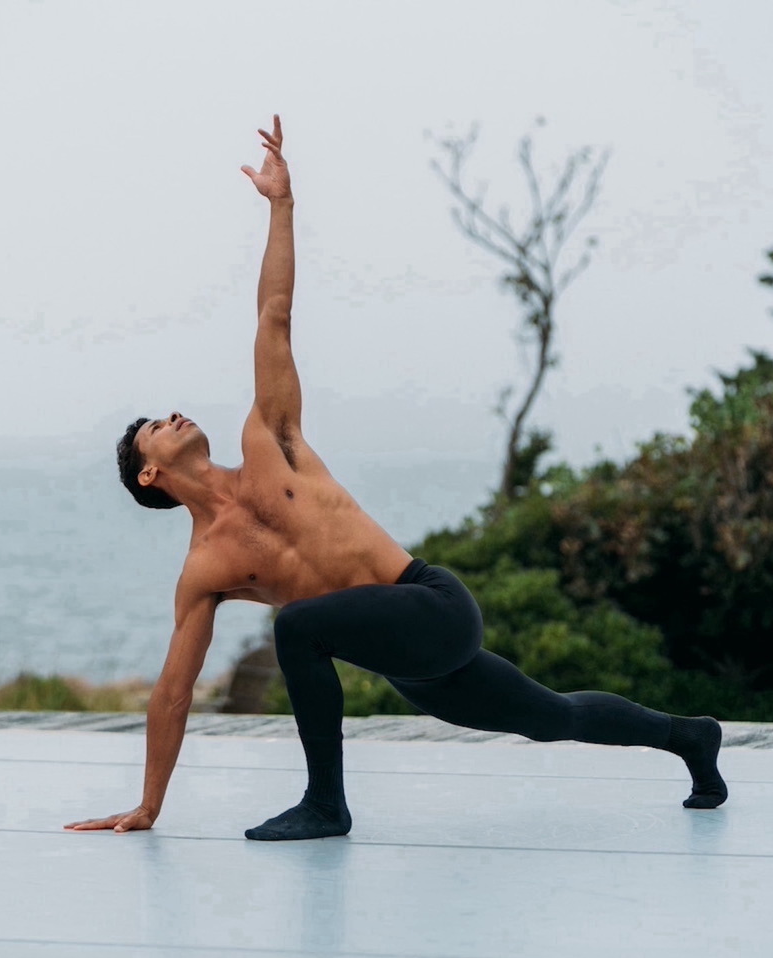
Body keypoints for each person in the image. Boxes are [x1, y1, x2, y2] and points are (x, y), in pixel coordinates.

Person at [65, 116, 727, 842]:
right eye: (159, 424)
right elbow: (172, 693)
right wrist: (147, 807)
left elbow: (274, 315)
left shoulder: (269, 440)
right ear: (152, 473)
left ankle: (325, 804)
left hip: (430, 604)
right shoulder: (206, 570)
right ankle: (690, 738)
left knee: (298, 625)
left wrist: (281, 206)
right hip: (407, 662)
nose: (176, 413)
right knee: (551, 717)